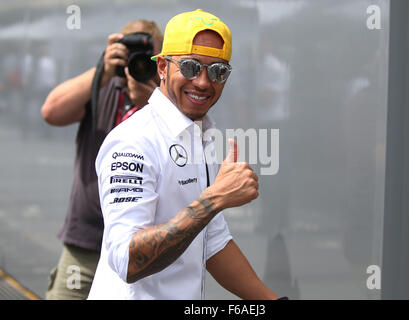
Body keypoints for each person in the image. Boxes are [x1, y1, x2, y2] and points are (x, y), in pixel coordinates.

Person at [88, 9, 279, 300]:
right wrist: (214, 199)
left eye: (218, 71)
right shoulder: (132, 142)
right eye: (190, 67)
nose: (203, 82)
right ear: (162, 67)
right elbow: (128, 261)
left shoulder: (198, 136)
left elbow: (212, 240)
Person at [41, 20, 163, 300]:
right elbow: (51, 111)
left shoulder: (164, 102)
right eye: (130, 54)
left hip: (140, 252)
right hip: (85, 244)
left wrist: (154, 103)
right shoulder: (103, 87)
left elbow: (184, 150)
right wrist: (103, 70)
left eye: (147, 58)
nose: (138, 63)